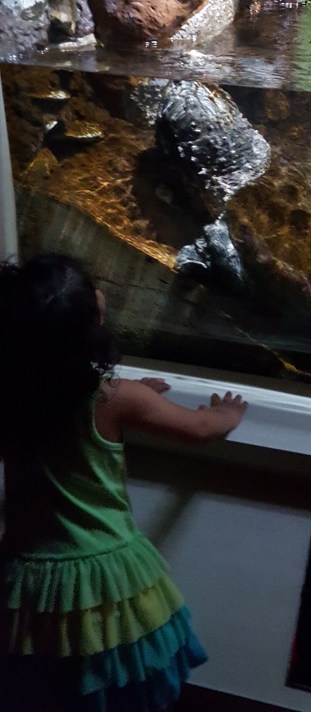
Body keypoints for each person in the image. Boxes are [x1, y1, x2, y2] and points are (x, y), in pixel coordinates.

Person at [0, 252, 247, 712]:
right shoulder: (115, 398)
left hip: (27, 572)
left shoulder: (11, 393)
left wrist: (129, 396)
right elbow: (199, 430)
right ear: (90, 326)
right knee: (111, 679)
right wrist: (224, 414)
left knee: (42, 684)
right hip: (103, 573)